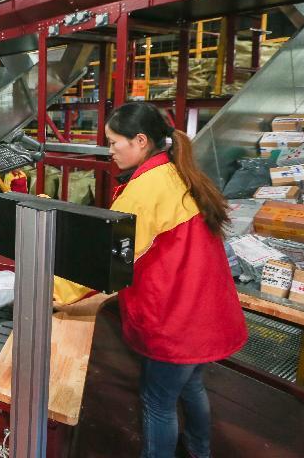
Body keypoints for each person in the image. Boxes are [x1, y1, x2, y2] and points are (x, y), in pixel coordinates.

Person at [106, 102, 247, 458]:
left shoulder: (147, 188)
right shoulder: (177, 172)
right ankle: (199, 451)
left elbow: (110, 258)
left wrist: (56, 291)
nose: (109, 151)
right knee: (191, 386)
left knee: (157, 402)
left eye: (113, 142)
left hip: (176, 320)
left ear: (139, 141)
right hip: (204, 313)